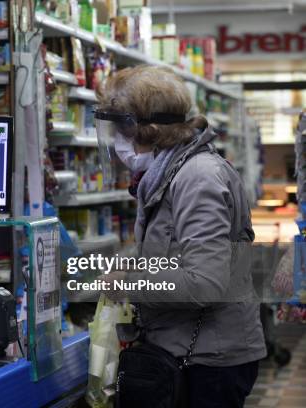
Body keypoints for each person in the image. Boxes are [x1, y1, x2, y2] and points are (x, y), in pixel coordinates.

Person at [97, 65, 266, 407]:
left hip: (209, 359)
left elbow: (205, 281)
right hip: (188, 347)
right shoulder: (168, 173)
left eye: (121, 127)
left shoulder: (197, 177)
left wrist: (130, 283)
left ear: (148, 128)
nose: (117, 139)